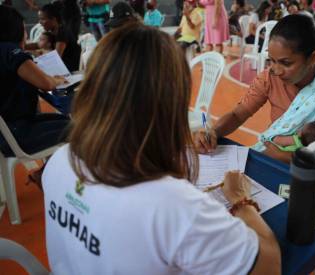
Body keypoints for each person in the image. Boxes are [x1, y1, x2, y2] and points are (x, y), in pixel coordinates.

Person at [42, 22, 281, 274]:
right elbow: (269, 265)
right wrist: (241, 201)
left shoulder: (60, 160)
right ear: (172, 102)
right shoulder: (172, 206)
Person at [194, 14, 315, 163]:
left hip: (309, 174)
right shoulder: (270, 77)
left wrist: (284, 157)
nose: (276, 69)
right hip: (271, 158)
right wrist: (213, 132)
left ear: (313, 58)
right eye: (271, 60)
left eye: (286, 63)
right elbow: (238, 114)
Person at [0, 6, 69, 164]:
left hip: (7, 132)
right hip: (17, 134)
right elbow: (46, 84)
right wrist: (57, 80)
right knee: (82, 128)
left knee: (64, 119)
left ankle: (44, 172)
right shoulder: (10, 51)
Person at [36, 3, 81, 71]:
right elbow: (39, 44)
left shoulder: (62, 32)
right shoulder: (53, 31)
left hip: (70, 70)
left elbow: (56, 58)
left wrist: (38, 57)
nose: (40, 22)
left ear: (54, 19)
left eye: (42, 19)